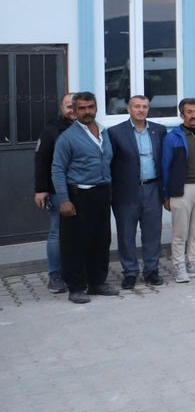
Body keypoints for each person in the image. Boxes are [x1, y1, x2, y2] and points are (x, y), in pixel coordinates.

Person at [50, 92, 116, 303]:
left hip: (101, 193)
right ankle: (76, 287)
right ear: (75, 111)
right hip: (78, 196)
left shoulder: (104, 132)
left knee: (101, 240)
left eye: (90, 107)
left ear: (96, 108)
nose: (87, 111)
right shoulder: (67, 138)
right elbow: (57, 169)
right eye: (82, 108)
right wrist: (64, 200)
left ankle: (97, 282)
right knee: (75, 244)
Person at [106, 95, 167, 288]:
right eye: (137, 106)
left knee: (152, 233)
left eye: (144, 107)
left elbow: (164, 161)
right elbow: (108, 163)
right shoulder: (115, 133)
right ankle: (130, 272)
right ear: (129, 109)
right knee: (126, 234)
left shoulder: (159, 130)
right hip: (126, 192)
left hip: (152, 189)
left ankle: (151, 271)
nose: (141, 110)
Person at [161, 98, 195, 283]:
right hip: (182, 189)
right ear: (181, 114)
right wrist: (166, 195)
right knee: (180, 232)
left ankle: (194, 263)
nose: (193, 115)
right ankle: (179, 266)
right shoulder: (172, 137)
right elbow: (165, 166)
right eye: (189, 112)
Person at [33, 92, 75, 293]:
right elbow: (41, 160)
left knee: (79, 232)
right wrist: (41, 189)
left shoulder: (88, 127)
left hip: (82, 189)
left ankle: (75, 271)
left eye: (76, 105)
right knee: (57, 233)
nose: (73, 109)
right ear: (61, 108)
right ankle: (55, 275)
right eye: (69, 105)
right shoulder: (51, 130)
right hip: (58, 190)